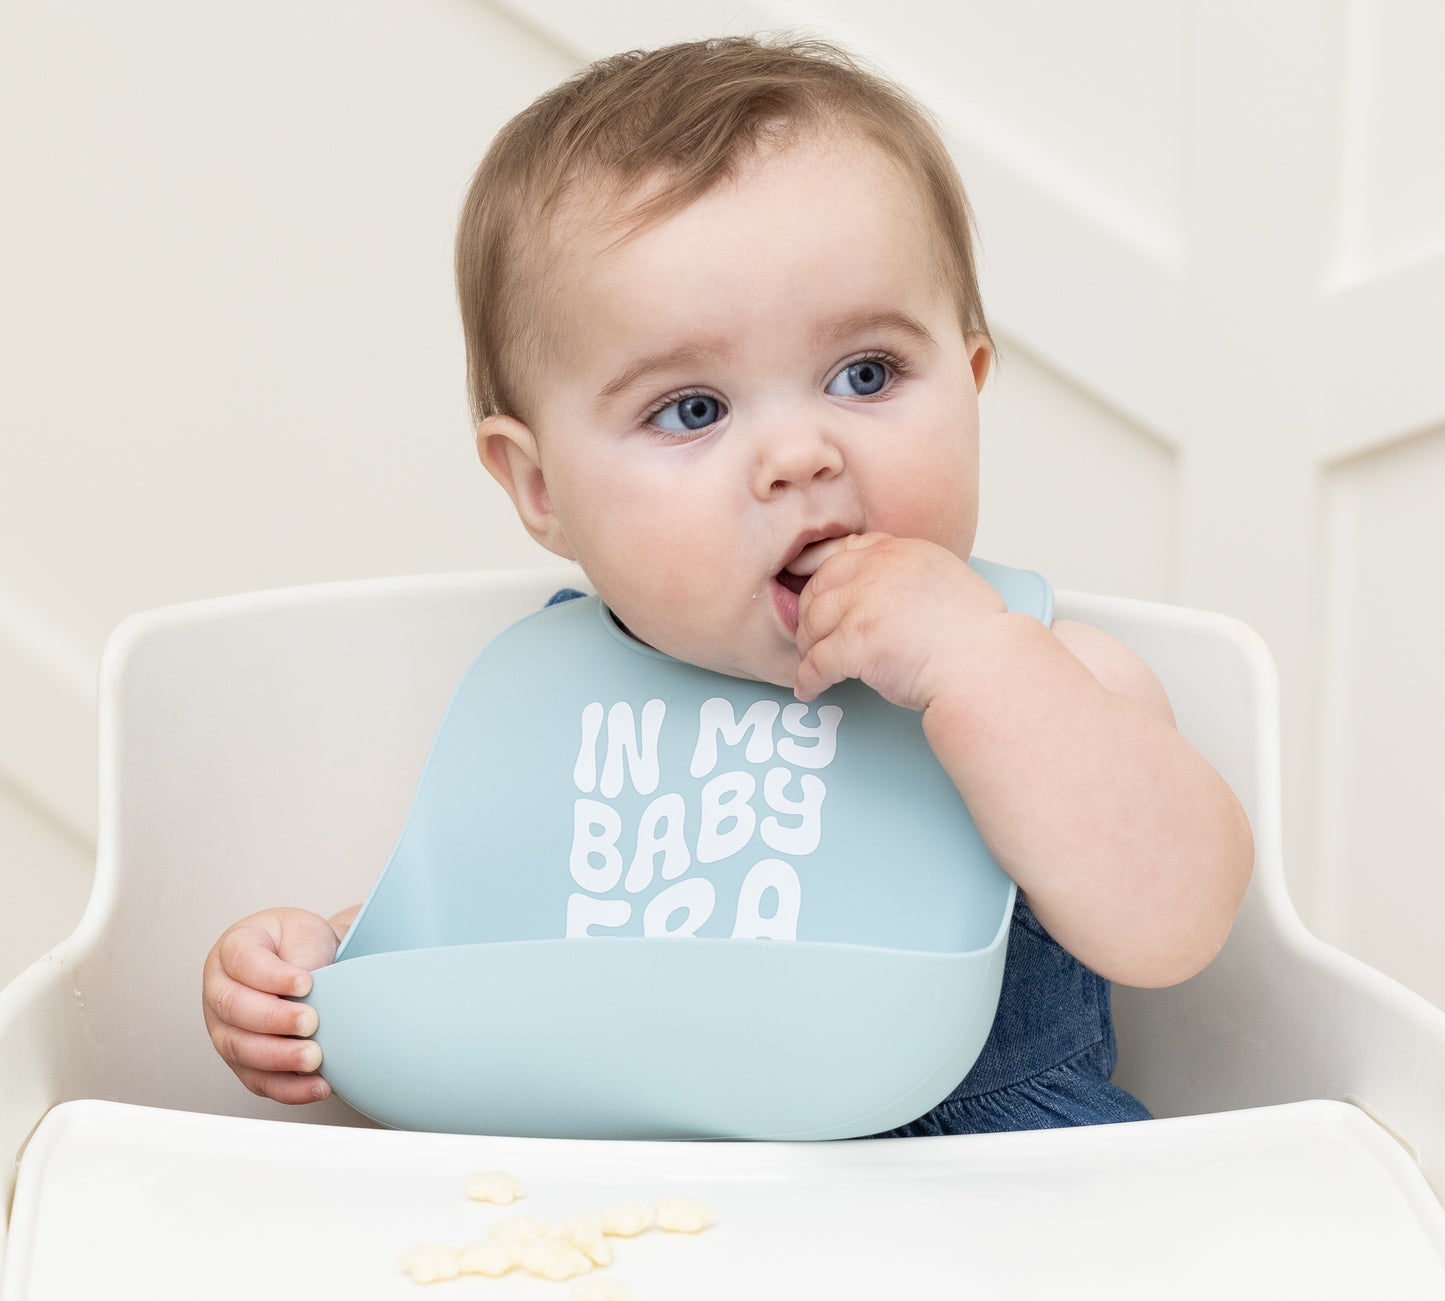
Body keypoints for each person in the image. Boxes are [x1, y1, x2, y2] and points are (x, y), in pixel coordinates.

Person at [201, 35, 1253, 1131]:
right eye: (692, 409)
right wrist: (320, 971)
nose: (798, 455)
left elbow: (1173, 923)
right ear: (540, 485)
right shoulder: (548, 700)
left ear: (970, 379)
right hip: (617, 1205)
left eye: (866, 374)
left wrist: (976, 662)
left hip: (978, 1195)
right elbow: (492, 932)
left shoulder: (1047, 673)